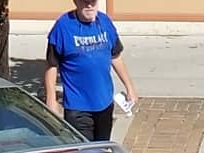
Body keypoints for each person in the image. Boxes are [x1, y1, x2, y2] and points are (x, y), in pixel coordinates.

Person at [44, 0, 139, 142]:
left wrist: (130, 88)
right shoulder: (63, 27)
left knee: (101, 148)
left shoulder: (105, 22)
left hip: (104, 103)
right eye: (85, 1)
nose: (89, 5)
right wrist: (51, 99)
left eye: (93, 1)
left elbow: (115, 56)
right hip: (78, 106)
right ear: (76, 2)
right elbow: (51, 65)